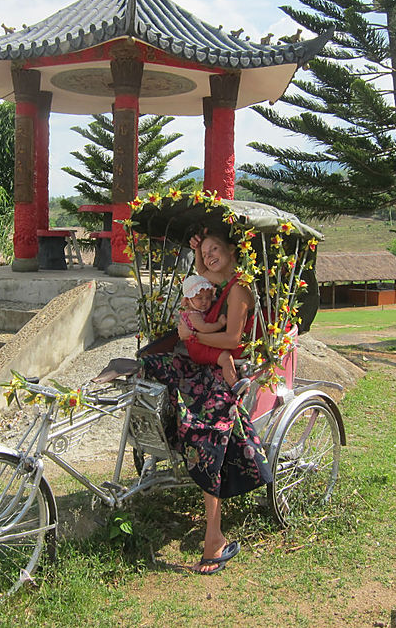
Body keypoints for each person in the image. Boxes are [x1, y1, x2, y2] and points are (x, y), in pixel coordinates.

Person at [141, 230, 273, 575]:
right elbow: (200, 271)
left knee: (206, 432)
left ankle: (213, 536)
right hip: (200, 363)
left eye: (217, 250)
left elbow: (231, 337)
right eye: (208, 251)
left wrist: (194, 333)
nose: (211, 256)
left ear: (233, 251)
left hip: (220, 369)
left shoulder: (239, 288)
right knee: (147, 366)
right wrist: (198, 250)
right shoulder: (215, 280)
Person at [178, 274, 239, 385]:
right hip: (199, 349)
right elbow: (204, 328)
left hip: (201, 346)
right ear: (188, 299)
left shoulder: (196, 311)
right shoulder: (193, 314)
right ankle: (235, 384)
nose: (204, 302)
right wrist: (219, 324)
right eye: (199, 298)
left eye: (208, 298)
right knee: (226, 358)